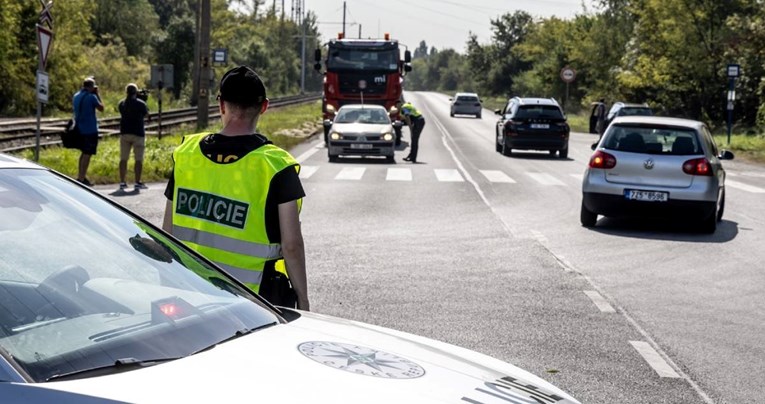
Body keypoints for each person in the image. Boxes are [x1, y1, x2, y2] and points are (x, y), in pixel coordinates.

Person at [161, 65, 309, 311]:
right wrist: (302, 299)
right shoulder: (276, 166)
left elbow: (168, 232)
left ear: (220, 105)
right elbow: (292, 245)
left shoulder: (186, 155)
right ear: (264, 107)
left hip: (190, 293)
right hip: (253, 303)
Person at [72, 77, 104, 186]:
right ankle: (81, 179)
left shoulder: (76, 96)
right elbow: (101, 108)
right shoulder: (91, 97)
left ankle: (81, 176)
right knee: (87, 154)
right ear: (91, 87)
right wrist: (97, 94)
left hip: (79, 129)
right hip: (90, 129)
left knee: (83, 153)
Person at [118, 83, 150, 190]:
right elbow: (146, 114)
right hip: (138, 134)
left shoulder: (122, 103)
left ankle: (122, 181)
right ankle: (137, 181)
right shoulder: (141, 104)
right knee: (138, 159)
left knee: (123, 159)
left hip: (125, 133)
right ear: (136, 92)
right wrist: (143, 100)